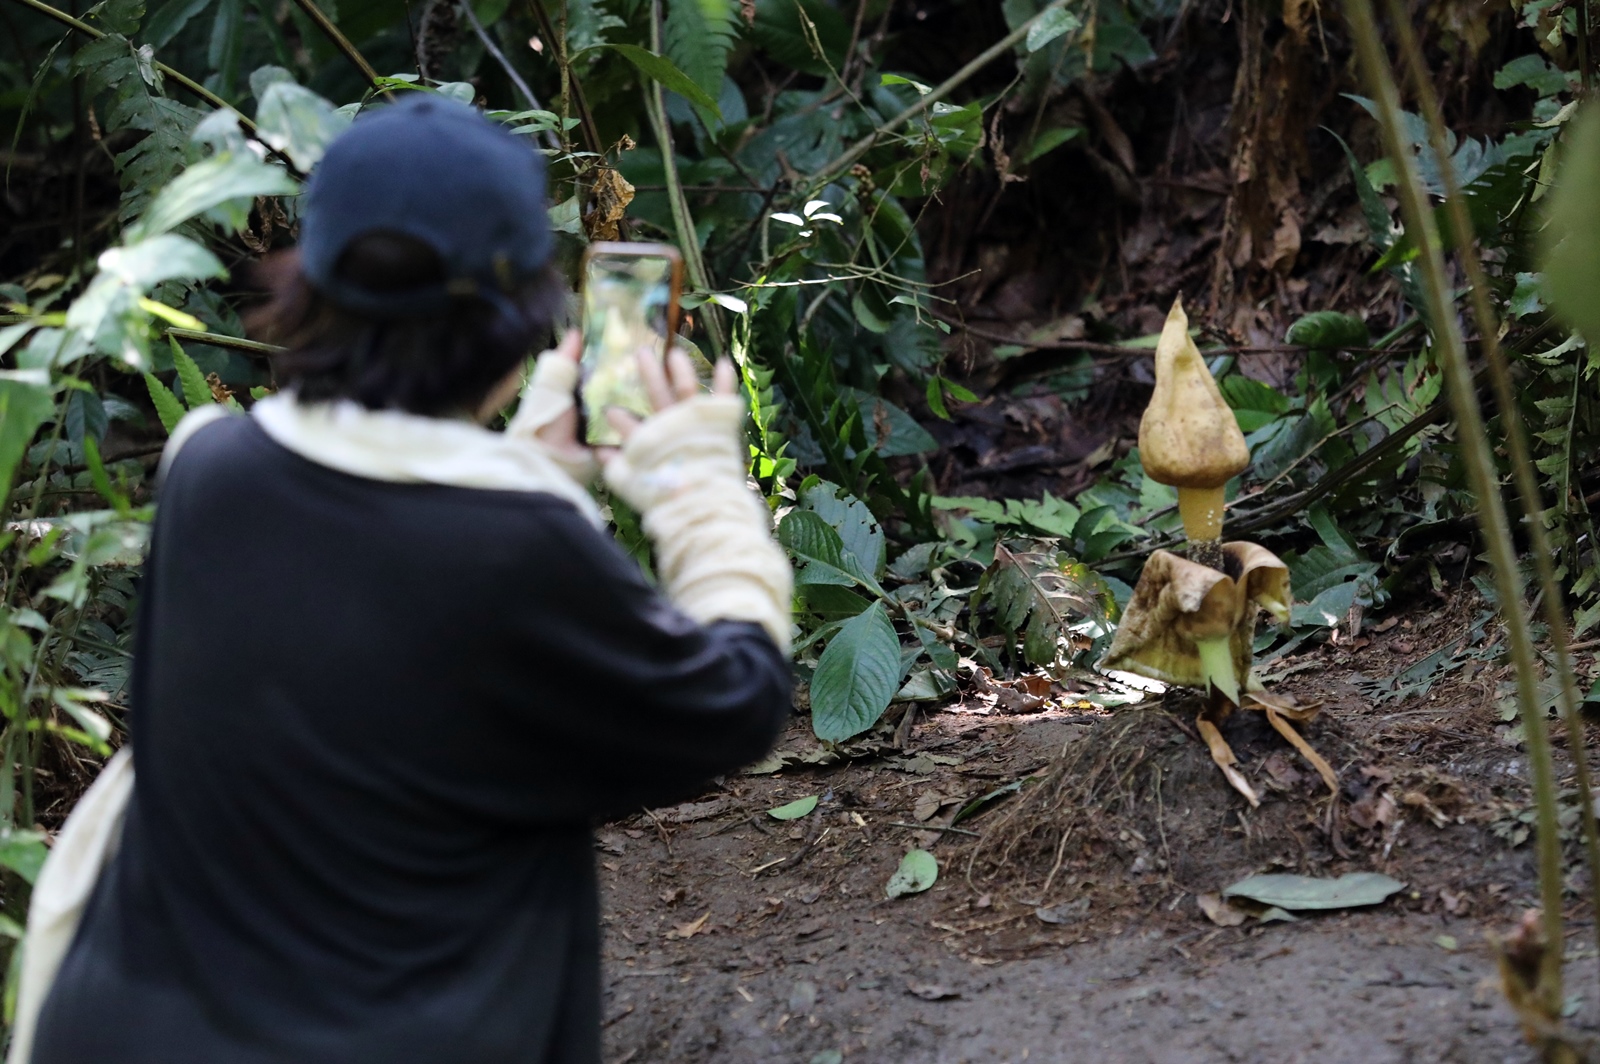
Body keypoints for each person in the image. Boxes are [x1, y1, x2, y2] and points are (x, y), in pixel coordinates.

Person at [24, 94, 793, 1064]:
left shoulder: (204, 470)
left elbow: (382, 588)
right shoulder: (518, 548)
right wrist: (692, 484)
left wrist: (531, 464)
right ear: (524, 312)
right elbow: (736, 698)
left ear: (312, 283)